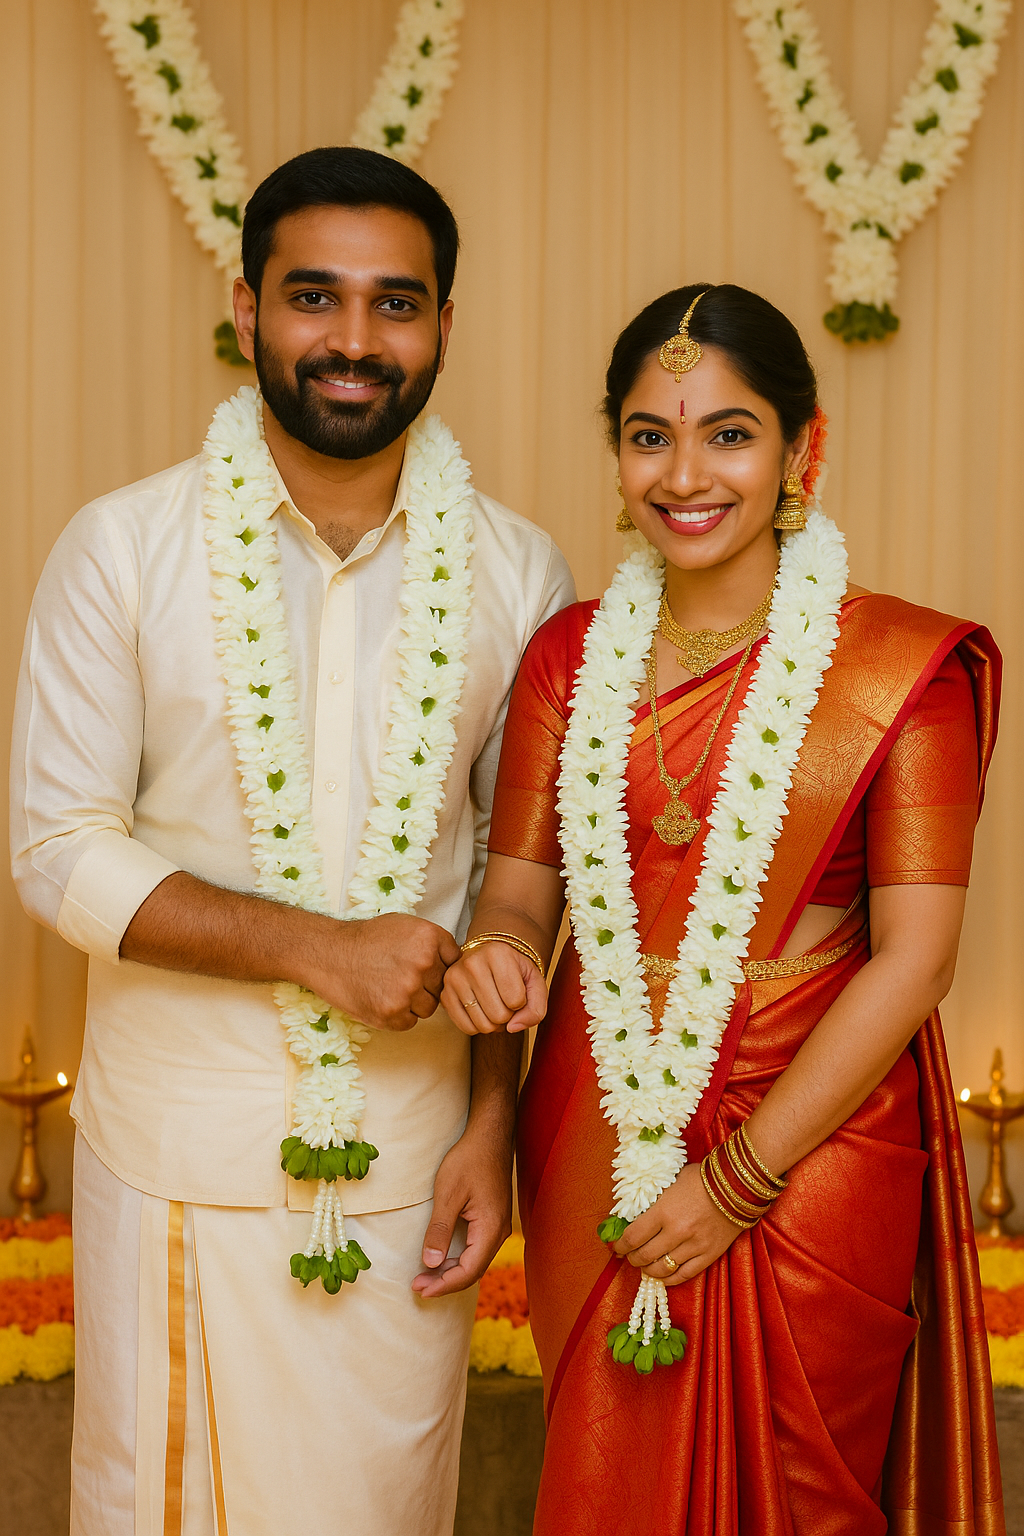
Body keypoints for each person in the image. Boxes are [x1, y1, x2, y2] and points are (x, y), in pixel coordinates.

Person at [10, 146, 574, 1536]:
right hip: (174, 1160)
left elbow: (513, 885)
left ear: (445, 324)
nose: (353, 339)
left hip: (408, 1168)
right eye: (314, 296)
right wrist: (317, 949)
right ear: (247, 307)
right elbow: (58, 851)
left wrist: (492, 1126)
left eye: (396, 303)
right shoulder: (122, 549)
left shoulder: (518, 572)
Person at [441, 283, 1005, 1535]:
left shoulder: (900, 673)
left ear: (804, 447)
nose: (684, 474)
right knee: (611, 1478)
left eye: (728, 433)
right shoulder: (566, 658)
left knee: (803, 1495)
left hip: (816, 1135)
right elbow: (521, 891)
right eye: (649, 435)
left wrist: (738, 1180)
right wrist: (500, 953)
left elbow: (914, 963)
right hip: (596, 1107)